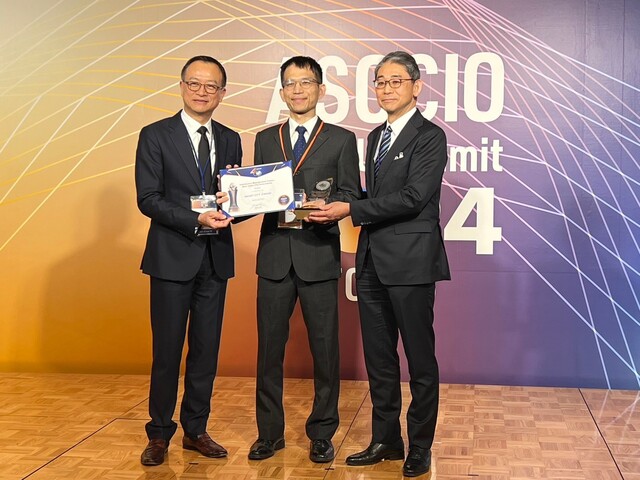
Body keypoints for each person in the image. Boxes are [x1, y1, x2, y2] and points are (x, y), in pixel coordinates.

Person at [308, 51, 450, 477]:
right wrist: (339, 203)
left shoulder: (430, 136)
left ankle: (420, 445)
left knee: (420, 361)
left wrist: (349, 209)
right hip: (371, 263)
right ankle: (386, 439)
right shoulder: (374, 136)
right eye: (380, 82)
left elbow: (413, 197)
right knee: (380, 361)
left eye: (396, 81)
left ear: (416, 86)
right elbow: (374, 195)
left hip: (411, 263)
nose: (387, 89)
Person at [247, 56, 361, 463]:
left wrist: (330, 205)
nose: (298, 90)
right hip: (275, 256)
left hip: (317, 254)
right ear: (281, 92)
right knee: (268, 351)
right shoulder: (265, 138)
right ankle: (269, 433)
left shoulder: (342, 139)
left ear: (321, 90)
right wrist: (236, 194)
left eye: (306, 82)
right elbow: (257, 195)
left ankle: (322, 431)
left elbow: (353, 194)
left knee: (325, 349)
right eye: (290, 84)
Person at [135, 55, 242, 466]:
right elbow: (148, 199)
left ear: (222, 93)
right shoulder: (155, 135)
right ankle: (159, 433)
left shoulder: (231, 138)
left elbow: (234, 198)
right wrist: (194, 218)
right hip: (171, 259)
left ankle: (195, 429)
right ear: (181, 87)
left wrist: (247, 202)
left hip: (215, 259)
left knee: (205, 351)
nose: (202, 92)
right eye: (195, 84)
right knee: (166, 351)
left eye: (211, 86)